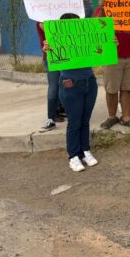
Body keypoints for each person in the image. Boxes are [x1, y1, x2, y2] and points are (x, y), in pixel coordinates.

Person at [20, 0, 93, 131]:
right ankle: (51, 117)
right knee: (54, 88)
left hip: (72, 57)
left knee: (69, 86)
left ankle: (68, 111)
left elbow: (88, 12)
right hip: (52, 57)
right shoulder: (43, 19)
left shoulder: (71, 17)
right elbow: (35, 11)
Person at [42, 13, 98, 172]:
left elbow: (101, 51)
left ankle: (85, 151)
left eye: (77, 24)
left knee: (85, 120)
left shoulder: (86, 39)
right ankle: (73, 156)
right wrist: (48, 49)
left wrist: (111, 43)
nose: (75, 28)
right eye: (71, 25)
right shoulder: (56, 42)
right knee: (74, 122)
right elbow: (52, 64)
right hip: (70, 85)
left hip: (90, 83)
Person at [95, 0, 130, 130]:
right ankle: (111, 117)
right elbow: (97, 26)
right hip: (111, 56)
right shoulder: (102, 10)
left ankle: (126, 117)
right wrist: (103, 8)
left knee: (127, 88)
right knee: (111, 89)